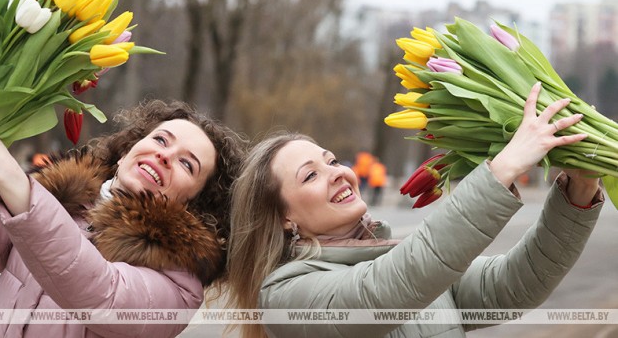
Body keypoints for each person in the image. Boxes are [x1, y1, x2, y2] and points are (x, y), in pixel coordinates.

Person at [225, 82, 604, 338]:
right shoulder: (283, 295)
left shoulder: (393, 254)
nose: (338, 173)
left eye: (331, 160)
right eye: (310, 176)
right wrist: (503, 168)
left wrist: (580, 190)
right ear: (283, 217)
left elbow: (517, 284)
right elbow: (386, 290)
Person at [0, 78, 247, 337]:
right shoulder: (64, 203)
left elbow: (100, 292)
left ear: (195, 203)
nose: (164, 156)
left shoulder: (180, 283)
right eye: (162, 140)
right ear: (127, 152)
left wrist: (13, 180)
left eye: (186, 164)